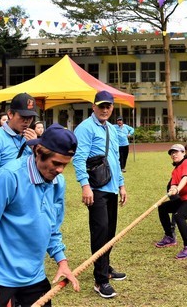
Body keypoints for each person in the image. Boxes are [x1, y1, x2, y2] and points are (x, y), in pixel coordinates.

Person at [0, 124, 80, 307]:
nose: (60, 170)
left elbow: (51, 227)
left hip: (34, 278)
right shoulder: (9, 176)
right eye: (56, 163)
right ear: (38, 152)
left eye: (65, 165)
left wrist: (62, 261)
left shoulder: (58, 182)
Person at [73, 90, 127, 299]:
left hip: (112, 186)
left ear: (112, 108)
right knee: (100, 231)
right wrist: (85, 186)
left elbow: (114, 158)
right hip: (96, 188)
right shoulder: (85, 128)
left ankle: (105, 267)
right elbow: (79, 159)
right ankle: (100, 280)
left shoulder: (111, 129)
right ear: (93, 107)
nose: (105, 110)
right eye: (101, 106)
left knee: (110, 231)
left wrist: (121, 185)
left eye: (108, 106)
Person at [155, 144, 187, 260]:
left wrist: (178, 189)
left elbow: (186, 177)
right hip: (186, 198)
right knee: (162, 207)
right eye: (171, 153)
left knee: (179, 216)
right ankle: (169, 237)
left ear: (183, 153)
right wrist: (173, 188)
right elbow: (173, 183)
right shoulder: (175, 171)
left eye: (176, 152)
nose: (174, 154)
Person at [0, 93, 38, 192]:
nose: (27, 121)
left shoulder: (30, 138)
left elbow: (42, 170)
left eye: (30, 117)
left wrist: (36, 149)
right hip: (9, 199)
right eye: (23, 116)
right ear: (10, 114)